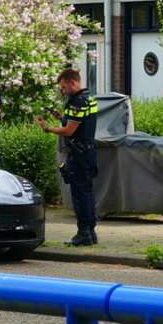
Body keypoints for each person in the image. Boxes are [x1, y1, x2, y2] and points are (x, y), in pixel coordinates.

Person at [35, 68, 98, 247]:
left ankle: (83, 234)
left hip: (79, 154)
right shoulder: (89, 98)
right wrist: (62, 118)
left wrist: (47, 128)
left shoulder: (78, 102)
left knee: (80, 194)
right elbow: (81, 125)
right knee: (87, 193)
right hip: (88, 151)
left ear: (72, 82)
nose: (63, 91)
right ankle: (90, 233)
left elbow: (70, 131)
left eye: (64, 87)